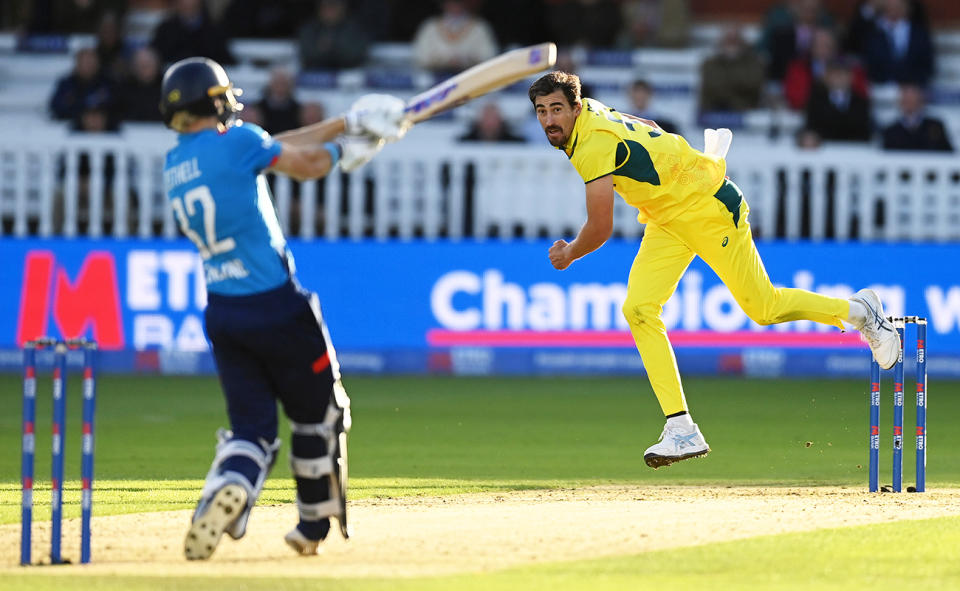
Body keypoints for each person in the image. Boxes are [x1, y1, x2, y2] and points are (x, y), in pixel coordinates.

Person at [527, 71, 899, 468]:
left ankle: (862, 313)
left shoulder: (592, 143)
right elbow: (649, 126)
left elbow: (600, 228)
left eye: (557, 110)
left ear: (576, 108)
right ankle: (681, 428)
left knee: (764, 308)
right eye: (542, 111)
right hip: (668, 218)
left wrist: (570, 253)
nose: (550, 120)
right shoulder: (594, 114)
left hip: (708, 209)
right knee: (638, 308)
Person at [159, 57, 408, 559]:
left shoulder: (176, 163)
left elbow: (270, 145)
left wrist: (347, 121)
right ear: (214, 99)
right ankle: (311, 528)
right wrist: (352, 149)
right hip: (277, 305)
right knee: (320, 414)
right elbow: (306, 162)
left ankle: (224, 490)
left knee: (253, 431)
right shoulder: (240, 143)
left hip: (224, 314)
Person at [882, 84, 953, 152]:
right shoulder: (891, 130)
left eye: (912, 96)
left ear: (920, 99)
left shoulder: (935, 126)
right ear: (900, 101)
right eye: (906, 98)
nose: (909, 100)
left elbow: (948, 153)